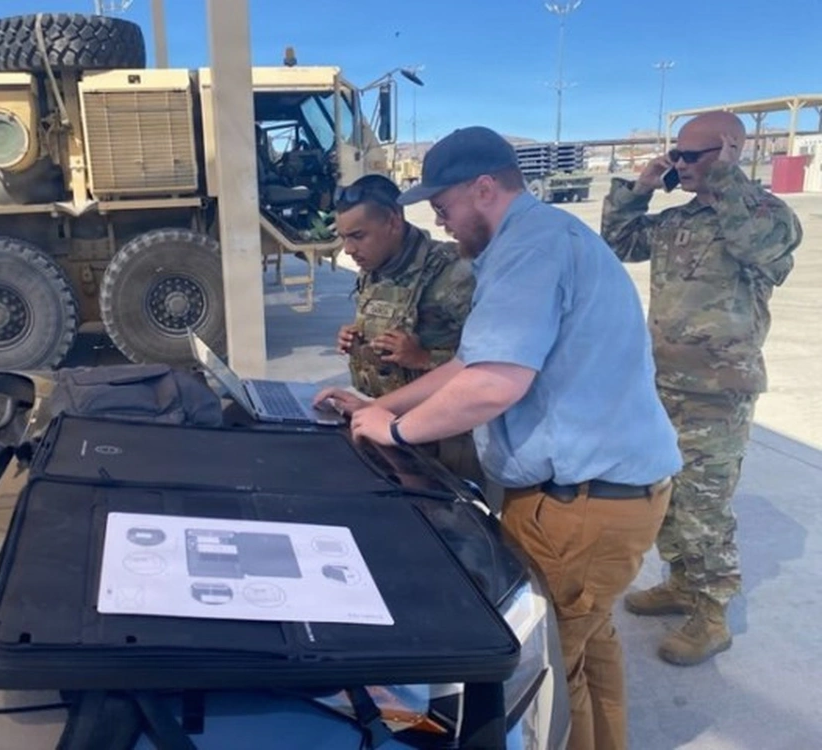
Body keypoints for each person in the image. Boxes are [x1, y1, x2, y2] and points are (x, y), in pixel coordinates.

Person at [316, 126, 683, 750]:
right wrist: (382, 405)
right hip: (611, 495)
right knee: (590, 648)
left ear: (483, 189)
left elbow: (494, 383)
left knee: (547, 677)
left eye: (444, 208)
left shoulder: (528, 251)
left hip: (581, 504)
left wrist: (397, 430)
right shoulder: (547, 239)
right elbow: (472, 363)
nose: (442, 222)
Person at [601, 110, 802, 666]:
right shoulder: (678, 221)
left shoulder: (767, 217)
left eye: (695, 155)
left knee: (704, 506)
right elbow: (618, 241)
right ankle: (682, 585)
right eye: (678, 154)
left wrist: (724, 179)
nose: (681, 164)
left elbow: (758, 246)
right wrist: (640, 188)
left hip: (718, 391)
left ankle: (711, 614)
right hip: (663, 384)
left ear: (732, 151)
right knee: (667, 496)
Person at [332, 174, 482, 488]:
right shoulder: (377, 267)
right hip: (387, 427)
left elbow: (492, 366)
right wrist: (356, 338)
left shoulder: (454, 273)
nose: (348, 249)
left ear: (393, 221)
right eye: (344, 237)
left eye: (358, 235)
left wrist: (424, 357)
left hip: (444, 441)